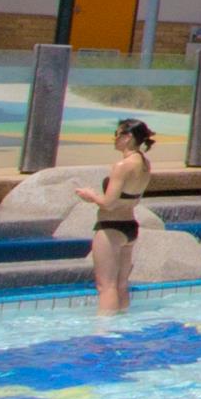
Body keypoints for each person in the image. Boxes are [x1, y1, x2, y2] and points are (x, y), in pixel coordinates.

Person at [71, 118, 153, 315]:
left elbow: (108, 203)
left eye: (117, 135)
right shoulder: (144, 163)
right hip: (130, 226)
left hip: (111, 227)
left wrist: (90, 195)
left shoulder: (122, 166)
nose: (114, 139)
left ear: (128, 137)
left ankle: (104, 333)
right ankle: (121, 325)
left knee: (106, 286)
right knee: (121, 284)